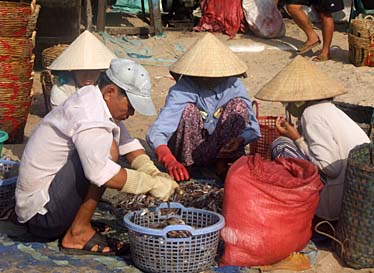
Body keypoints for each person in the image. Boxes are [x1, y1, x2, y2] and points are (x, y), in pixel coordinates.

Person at [15, 58, 179, 255]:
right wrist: (149, 184)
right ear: (110, 92)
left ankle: (77, 222)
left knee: (109, 146)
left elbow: (127, 142)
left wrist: (150, 170)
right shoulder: (89, 113)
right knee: (107, 154)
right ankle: (78, 232)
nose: (133, 112)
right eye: (131, 104)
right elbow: (100, 173)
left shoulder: (96, 100)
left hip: (47, 200)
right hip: (42, 216)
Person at [255, 55, 370, 221]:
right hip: (353, 188)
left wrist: (296, 138)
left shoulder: (312, 114)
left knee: (280, 145)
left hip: (339, 194)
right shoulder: (327, 109)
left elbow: (329, 167)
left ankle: (300, 209)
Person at [146, 33, 261, 182]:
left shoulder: (233, 84)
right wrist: (168, 158)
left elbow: (253, 128)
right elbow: (158, 130)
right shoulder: (184, 87)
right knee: (189, 111)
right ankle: (187, 168)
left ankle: (222, 164)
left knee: (238, 106)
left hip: (222, 149)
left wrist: (240, 139)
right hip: (191, 150)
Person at [48, 30, 116, 109]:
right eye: (82, 71)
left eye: (93, 71)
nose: (88, 76)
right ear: (74, 70)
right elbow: (59, 116)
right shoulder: (62, 87)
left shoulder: (106, 87)